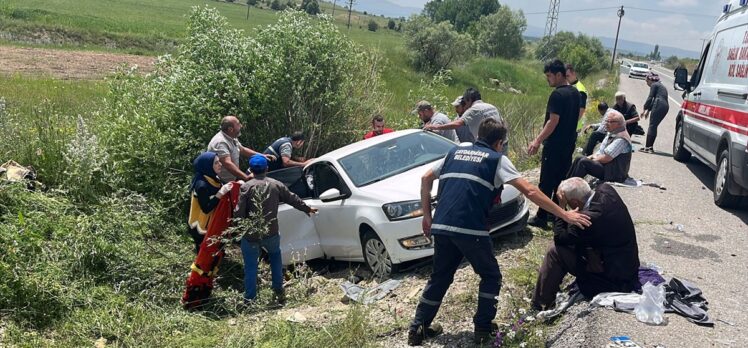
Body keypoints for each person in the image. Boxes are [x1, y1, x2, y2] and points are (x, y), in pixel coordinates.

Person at [408, 118, 591, 346]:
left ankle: (418, 328)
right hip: (469, 227)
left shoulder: (454, 153)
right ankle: (483, 329)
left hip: (442, 225)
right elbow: (531, 191)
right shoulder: (497, 160)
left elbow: (426, 178)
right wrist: (565, 215)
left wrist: (427, 216)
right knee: (491, 275)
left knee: (440, 276)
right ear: (499, 143)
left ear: (477, 137)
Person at [531, 177, 640, 311]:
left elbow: (560, 237)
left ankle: (540, 305)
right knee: (571, 244)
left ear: (575, 202)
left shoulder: (589, 219)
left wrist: (561, 209)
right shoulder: (607, 190)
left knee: (555, 252)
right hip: (627, 263)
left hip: (614, 278)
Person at [235, 155, 318, 304]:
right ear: (267, 169)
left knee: (251, 266)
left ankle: (250, 299)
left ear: (251, 170)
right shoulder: (275, 184)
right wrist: (307, 208)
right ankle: (278, 288)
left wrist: (238, 229)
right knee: (275, 258)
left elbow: (238, 212)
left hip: (251, 235)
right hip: (271, 232)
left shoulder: (246, 187)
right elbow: (292, 198)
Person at [527, 59, 581, 229]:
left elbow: (553, 121)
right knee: (560, 181)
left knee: (546, 182)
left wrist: (537, 140)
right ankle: (556, 214)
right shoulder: (575, 93)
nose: (547, 79)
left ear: (559, 75)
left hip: (555, 145)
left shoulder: (557, 95)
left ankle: (542, 217)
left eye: (549, 76)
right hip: (568, 144)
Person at [186, 152, 234, 253]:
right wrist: (220, 194)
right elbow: (206, 208)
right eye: (216, 163)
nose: (220, 164)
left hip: (211, 221)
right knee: (204, 252)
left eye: (219, 162)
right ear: (208, 166)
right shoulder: (202, 185)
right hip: (200, 226)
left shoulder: (212, 176)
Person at [569, 111, 633, 183]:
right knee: (579, 158)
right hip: (608, 168)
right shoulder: (612, 132)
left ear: (619, 124)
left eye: (610, 121)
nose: (606, 123)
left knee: (583, 162)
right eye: (606, 121)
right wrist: (589, 157)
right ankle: (566, 182)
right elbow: (601, 151)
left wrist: (590, 160)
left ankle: (571, 188)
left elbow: (606, 158)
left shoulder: (621, 138)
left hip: (615, 174)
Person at [207, 115, 275, 183]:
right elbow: (227, 163)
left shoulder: (232, 137)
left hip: (232, 179)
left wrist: (262, 155)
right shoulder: (220, 142)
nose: (241, 126)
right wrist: (246, 177)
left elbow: (242, 150)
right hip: (222, 182)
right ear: (231, 129)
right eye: (238, 124)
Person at [424, 87, 503, 141]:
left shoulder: (474, 109)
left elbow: (457, 124)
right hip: (502, 142)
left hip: (490, 145)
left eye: (465, 102)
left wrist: (435, 127)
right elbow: (502, 123)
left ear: (469, 100)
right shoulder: (492, 107)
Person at [640, 73, 669, 153]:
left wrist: (644, 109)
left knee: (652, 126)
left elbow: (650, 97)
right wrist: (648, 111)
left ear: (651, 80)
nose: (647, 83)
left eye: (647, 81)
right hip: (664, 106)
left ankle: (648, 147)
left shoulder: (654, 85)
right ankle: (649, 147)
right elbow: (655, 99)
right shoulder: (660, 85)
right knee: (654, 126)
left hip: (659, 104)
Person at [566, 64, 588, 132]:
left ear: (574, 74)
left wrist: (572, 123)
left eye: (568, 76)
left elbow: (581, 109)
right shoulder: (570, 86)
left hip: (574, 126)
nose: (566, 78)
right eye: (565, 76)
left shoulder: (580, 89)